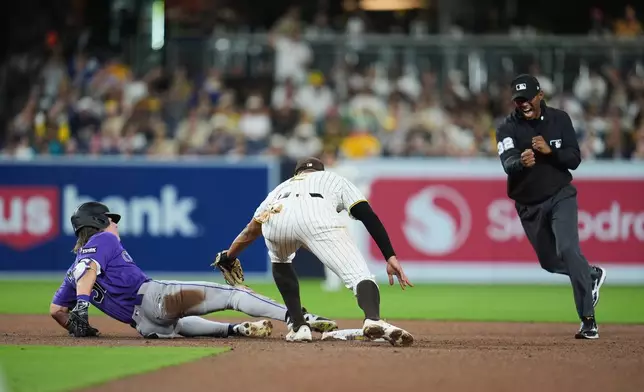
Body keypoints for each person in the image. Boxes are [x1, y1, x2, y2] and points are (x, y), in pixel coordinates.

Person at [50, 202, 337, 339]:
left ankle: (234, 330)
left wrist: (79, 325)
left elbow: (57, 310)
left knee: (177, 324)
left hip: (145, 327)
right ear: (99, 221)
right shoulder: (104, 239)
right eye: (111, 220)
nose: (116, 225)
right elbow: (89, 271)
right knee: (232, 294)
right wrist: (84, 307)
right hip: (154, 298)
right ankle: (299, 317)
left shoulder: (71, 269)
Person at [215, 157, 414, 346]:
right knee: (359, 275)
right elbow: (368, 216)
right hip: (317, 217)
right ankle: (373, 320)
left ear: (297, 173)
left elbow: (251, 230)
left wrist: (229, 255)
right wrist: (389, 255)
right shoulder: (332, 178)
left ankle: (299, 326)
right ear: (320, 171)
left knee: (280, 260)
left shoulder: (281, 187)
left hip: (277, 220)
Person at [495, 74, 607, 339]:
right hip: (528, 204)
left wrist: (550, 152)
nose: (523, 104)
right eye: (518, 100)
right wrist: (521, 162)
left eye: (527, 98)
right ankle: (590, 274)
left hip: (560, 196)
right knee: (548, 262)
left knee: (568, 248)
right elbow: (506, 163)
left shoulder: (560, 119)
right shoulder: (507, 127)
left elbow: (574, 159)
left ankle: (588, 320)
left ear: (540, 95)